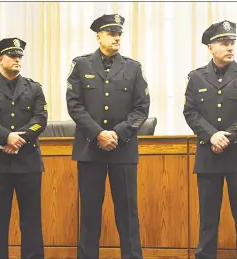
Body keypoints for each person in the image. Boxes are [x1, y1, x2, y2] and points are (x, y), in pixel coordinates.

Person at [66, 14, 150, 259]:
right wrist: (98, 133)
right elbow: (74, 105)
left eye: (119, 34)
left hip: (122, 149)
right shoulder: (80, 65)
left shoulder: (133, 67)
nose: (116, 38)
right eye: (111, 33)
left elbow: (142, 108)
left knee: (127, 212)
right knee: (90, 212)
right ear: (98, 36)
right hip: (90, 149)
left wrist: (117, 133)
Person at [183, 20, 237, 259]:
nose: (230, 47)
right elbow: (190, 112)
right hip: (210, 156)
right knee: (208, 217)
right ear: (210, 48)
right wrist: (211, 135)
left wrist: (228, 135)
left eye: (232, 43)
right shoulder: (196, 78)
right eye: (224, 43)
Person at [0, 37, 47, 259]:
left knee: (31, 220)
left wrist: (18, 140)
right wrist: (6, 137)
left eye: (19, 56)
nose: (17, 60)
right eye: (12, 56)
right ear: (0, 59)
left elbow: (40, 119)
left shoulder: (34, 88)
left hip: (28, 163)